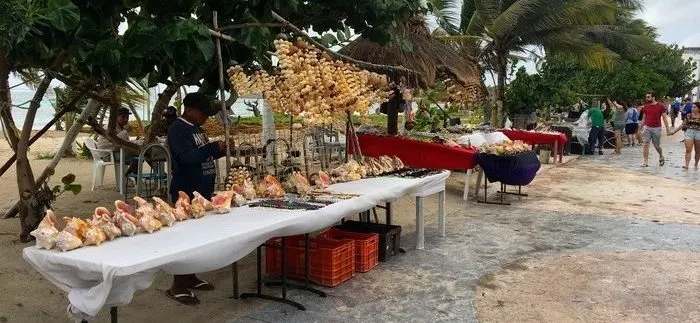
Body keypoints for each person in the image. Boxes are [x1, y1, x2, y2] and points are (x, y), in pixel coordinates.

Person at [166, 93, 227, 305]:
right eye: (203, 114)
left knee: (198, 239)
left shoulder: (197, 129)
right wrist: (212, 147)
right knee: (185, 240)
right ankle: (178, 285)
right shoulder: (178, 129)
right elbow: (185, 158)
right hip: (186, 190)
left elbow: (202, 156)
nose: (206, 119)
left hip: (202, 190)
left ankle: (190, 276)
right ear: (190, 110)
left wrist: (219, 151)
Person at [640, 91, 670, 167]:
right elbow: (643, 119)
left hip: (657, 128)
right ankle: (645, 162)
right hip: (647, 127)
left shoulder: (661, 106)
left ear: (653, 97)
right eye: (646, 97)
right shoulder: (645, 107)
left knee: (656, 145)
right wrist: (640, 128)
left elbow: (664, 119)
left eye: (648, 97)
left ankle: (661, 155)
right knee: (645, 144)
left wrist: (668, 130)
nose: (646, 98)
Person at [668, 102, 700, 170]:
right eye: (692, 107)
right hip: (689, 133)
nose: (692, 108)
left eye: (694, 107)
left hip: (699, 134)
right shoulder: (688, 115)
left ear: (699, 108)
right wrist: (674, 132)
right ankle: (686, 165)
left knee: (698, 151)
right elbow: (683, 125)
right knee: (688, 150)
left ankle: (696, 164)